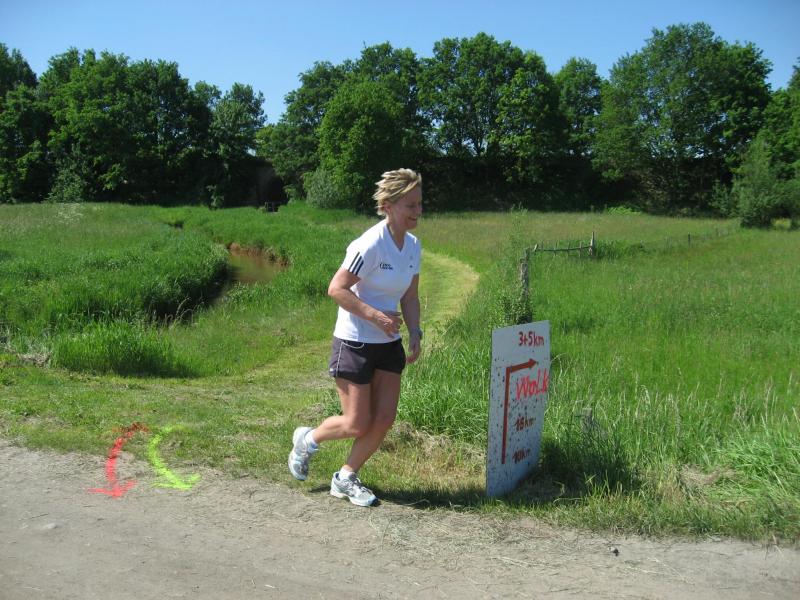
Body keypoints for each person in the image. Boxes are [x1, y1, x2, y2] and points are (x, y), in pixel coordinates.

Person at [288, 168, 424, 506]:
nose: (418, 211)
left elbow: (410, 296)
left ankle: (346, 477)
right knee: (356, 422)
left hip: (388, 345)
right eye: (410, 205)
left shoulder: (413, 247)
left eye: (420, 204)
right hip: (355, 342)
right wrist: (376, 316)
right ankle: (308, 439)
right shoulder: (370, 244)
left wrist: (415, 332)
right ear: (389, 206)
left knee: (384, 418)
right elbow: (336, 288)